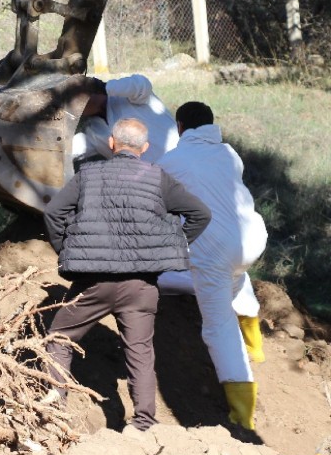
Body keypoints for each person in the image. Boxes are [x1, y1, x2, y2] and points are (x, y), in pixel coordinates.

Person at [43, 118, 211, 432]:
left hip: (93, 282)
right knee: (141, 353)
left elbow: (54, 212)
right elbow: (200, 214)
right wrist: (171, 244)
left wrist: (65, 249)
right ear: (144, 148)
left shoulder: (88, 174)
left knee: (59, 339)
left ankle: (54, 416)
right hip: (141, 286)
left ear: (111, 143)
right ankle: (143, 424)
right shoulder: (159, 177)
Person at [156, 102, 267, 431]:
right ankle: (256, 346)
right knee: (236, 279)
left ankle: (242, 415)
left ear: (179, 127)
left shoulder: (172, 161)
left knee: (218, 327)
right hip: (252, 239)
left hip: (215, 250)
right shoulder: (230, 154)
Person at [73, 74, 178, 164]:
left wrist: (104, 87)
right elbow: (69, 150)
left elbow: (141, 84)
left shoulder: (131, 97)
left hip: (181, 163)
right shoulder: (93, 132)